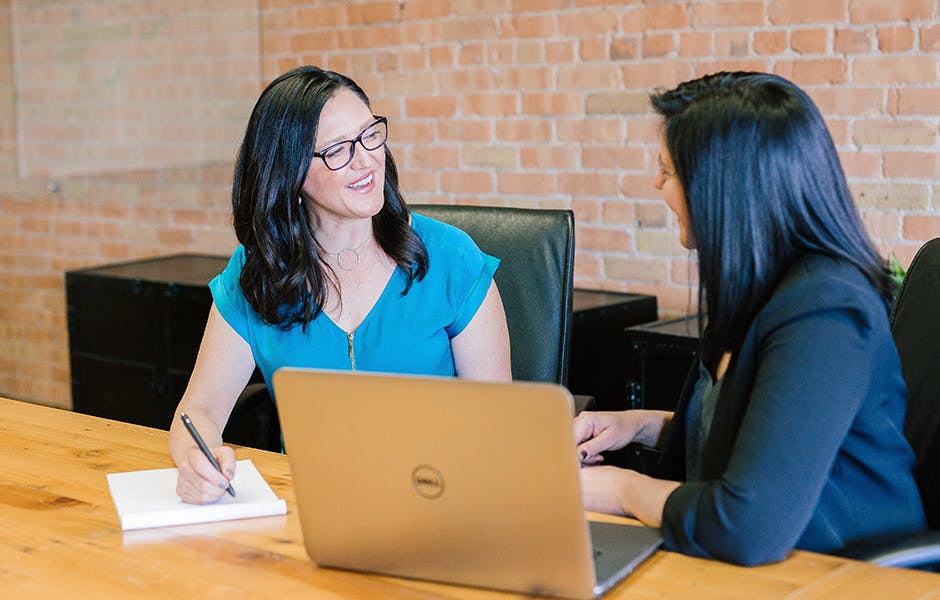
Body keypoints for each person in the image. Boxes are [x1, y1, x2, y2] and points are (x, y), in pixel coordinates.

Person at [573, 72, 927, 566]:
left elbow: (745, 525)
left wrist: (622, 490)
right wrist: (639, 425)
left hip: (846, 571)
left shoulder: (826, 311)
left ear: (724, 188)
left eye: (668, 171)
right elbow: (754, 434)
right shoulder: (758, 289)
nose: (656, 184)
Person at [170, 66, 511, 504]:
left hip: (439, 501)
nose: (367, 159)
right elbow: (196, 412)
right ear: (290, 173)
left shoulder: (451, 259)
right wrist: (195, 463)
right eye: (337, 150)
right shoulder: (256, 275)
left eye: (371, 135)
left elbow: (499, 423)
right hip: (310, 509)